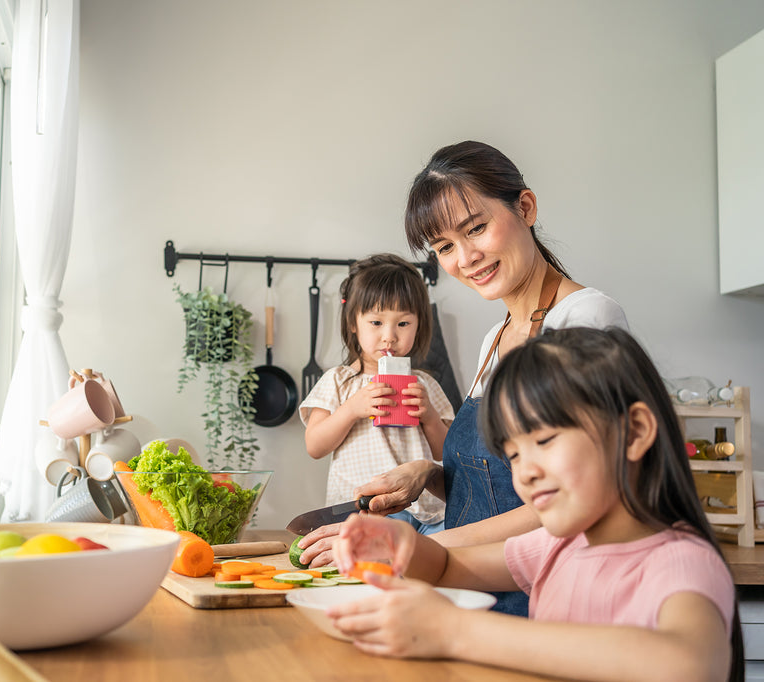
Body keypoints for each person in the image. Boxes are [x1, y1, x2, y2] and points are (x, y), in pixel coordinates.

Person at [297, 141, 628, 616]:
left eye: (477, 228)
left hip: (548, 599)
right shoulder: (495, 338)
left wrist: (418, 546)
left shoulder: (584, 318)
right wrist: (426, 475)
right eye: (445, 247)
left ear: (526, 207)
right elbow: (497, 485)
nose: (466, 257)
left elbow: (578, 500)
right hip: (475, 593)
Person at [327, 327, 743, 682]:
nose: (523, 472)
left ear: (634, 432)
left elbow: (687, 663)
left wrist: (454, 630)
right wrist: (401, 545)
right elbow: (445, 567)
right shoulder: (558, 544)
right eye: (514, 453)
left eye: (543, 441)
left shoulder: (681, 562)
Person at [299, 254, 454, 534]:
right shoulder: (338, 381)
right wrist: (352, 409)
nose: (389, 336)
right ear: (353, 323)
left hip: (427, 512)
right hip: (364, 512)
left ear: (419, 325)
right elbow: (314, 446)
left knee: (441, 558)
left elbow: (448, 453)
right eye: (376, 322)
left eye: (403, 324)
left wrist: (430, 416)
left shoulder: (425, 384)